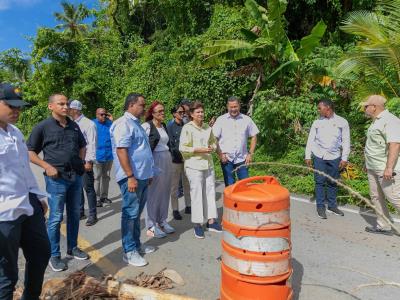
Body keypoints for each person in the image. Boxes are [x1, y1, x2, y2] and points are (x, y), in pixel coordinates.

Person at [27, 93, 89, 272]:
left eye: (67, 104)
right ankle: (54, 255)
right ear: (51, 106)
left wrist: (80, 161)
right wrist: (46, 166)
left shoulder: (73, 125)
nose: (65, 106)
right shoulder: (43, 127)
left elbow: (82, 145)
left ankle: (73, 247)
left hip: (75, 177)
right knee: (55, 217)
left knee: (75, 214)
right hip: (56, 180)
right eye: (61, 104)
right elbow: (30, 152)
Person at [0, 83, 51, 299]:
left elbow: (24, 168)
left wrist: (38, 195)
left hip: (27, 203)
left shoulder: (15, 132)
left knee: (40, 253)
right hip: (4, 212)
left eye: (19, 107)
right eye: (10, 105)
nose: (16, 111)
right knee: (6, 274)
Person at [110, 93, 155, 267]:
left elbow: (143, 150)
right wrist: (130, 176)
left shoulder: (136, 124)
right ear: (131, 105)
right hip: (132, 178)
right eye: (142, 105)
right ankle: (128, 251)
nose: (144, 108)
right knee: (130, 214)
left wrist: (148, 173)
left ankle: (136, 245)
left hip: (142, 177)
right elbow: (122, 150)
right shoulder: (123, 124)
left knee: (136, 214)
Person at [179, 101, 222, 239]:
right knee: (197, 194)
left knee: (210, 192)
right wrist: (198, 150)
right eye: (198, 112)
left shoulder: (207, 128)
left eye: (202, 112)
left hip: (208, 164)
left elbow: (214, 142)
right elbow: (182, 148)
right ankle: (197, 224)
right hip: (193, 165)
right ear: (191, 114)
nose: (201, 114)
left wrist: (213, 148)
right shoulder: (187, 128)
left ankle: (211, 221)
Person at [305, 98, 350, 219]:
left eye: (320, 108)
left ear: (328, 108)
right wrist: (307, 156)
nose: (318, 110)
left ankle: (332, 206)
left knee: (332, 182)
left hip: (334, 157)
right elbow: (311, 140)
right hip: (319, 156)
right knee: (319, 181)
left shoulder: (342, 122)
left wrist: (344, 158)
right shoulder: (317, 122)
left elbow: (346, 141)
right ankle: (320, 207)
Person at [362, 95, 400, 235]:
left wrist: (389, 168)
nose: (365, 108)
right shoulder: (375, 121)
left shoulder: (390, 120)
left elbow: (395, 145)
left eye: (366, 106)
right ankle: (383, 225)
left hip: (385, 168)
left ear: (374, 107)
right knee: (376, 197)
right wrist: (367, 163)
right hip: (373, 167)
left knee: (394, 197)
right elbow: (374, 145)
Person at [142, 101, 175, 238]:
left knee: (165, 191)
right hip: (154, 160)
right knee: (153, 193)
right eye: (159, 111)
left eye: (163, 110)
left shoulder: (164, 126)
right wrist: (147, 168)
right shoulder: (147, 126)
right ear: (152, 113)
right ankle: (151, 225)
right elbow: (143, 148)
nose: (162, 113)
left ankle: (162, 220)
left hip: (166, 159)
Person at [213, 96, 259, 186]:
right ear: (227, 107)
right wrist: (220, 154)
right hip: (226, 159)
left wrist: (250, 153)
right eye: (231, 107)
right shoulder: (221, 120)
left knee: (245, 185)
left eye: (235, 107)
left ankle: (244, 200)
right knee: (230, 187)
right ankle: (231, 201)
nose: (233, 109)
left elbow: (254, 136)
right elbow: (214, 139)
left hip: (242, 159)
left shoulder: (247, 120)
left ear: (239, 106)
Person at [69, 100, 98, 226]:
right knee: (77, 187)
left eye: (69, 108)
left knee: (88, 187)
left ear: (75, 109)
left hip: (85, 161)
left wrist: (89, 161)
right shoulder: (71, 123)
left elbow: (92, 144)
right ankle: (81, 211)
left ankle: (93, 214)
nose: (67, 110)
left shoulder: (88, 124)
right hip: (75, 161)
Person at [167, 104, 191, 220]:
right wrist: (177, 155)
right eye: (180, 112)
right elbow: (170, 145)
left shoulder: (186, 125)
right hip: (175, 160)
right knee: (174, 187)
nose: (183, 114)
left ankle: (188, 205)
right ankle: (175, 209)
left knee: (187, 184)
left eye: (183, 112)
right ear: (174, 114)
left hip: (186, 160)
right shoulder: (170, 126)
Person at [93, 108, 113, 206]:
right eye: (101, 114)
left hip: (109, 155)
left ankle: (104, 197)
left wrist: (112, 120)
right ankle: (96, 199)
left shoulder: (110, 123)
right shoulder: (93, 124)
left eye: (105, 114)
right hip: (97, 155)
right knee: (97, 177)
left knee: (106, 176)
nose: (103, 116)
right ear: (96, 115)